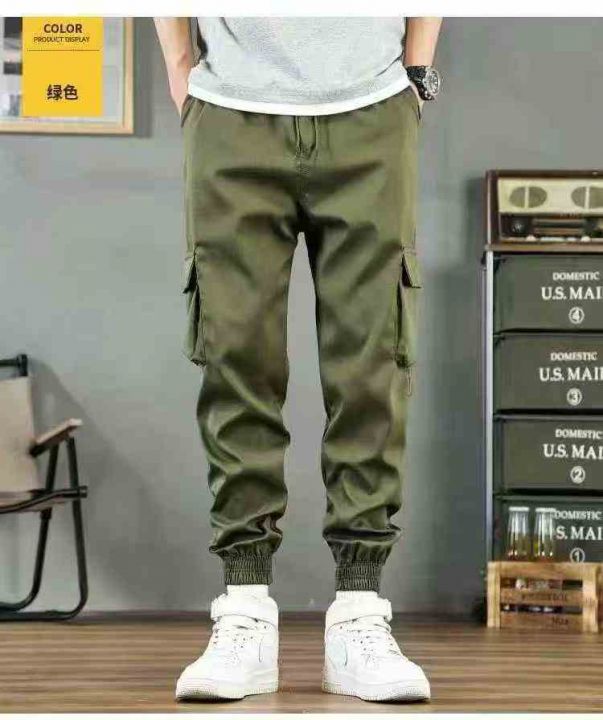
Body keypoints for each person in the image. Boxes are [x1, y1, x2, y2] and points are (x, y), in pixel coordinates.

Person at [155, 16, 442, 703]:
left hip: (372, 106)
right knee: (236, 360)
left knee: (372, 363)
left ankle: (359, 612)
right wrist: (181, 68)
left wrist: (414, 76)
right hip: (230, 109)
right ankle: (245, 609)